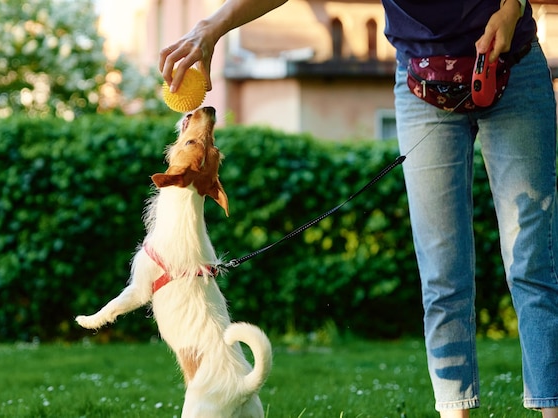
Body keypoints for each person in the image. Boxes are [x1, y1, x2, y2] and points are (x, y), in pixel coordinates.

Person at [158, 1, 558, 416]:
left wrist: (511, 10)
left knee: (532, 262)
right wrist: (210, 27)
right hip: (424, 83)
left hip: (511, 66)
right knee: (442, 273)